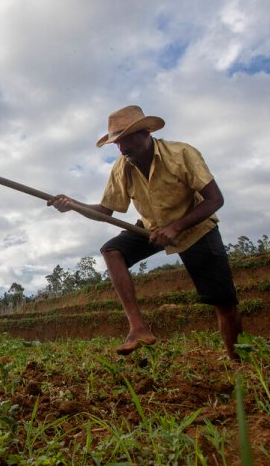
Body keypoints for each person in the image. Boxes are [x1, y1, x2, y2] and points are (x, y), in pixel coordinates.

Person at [49, 105, 242, 360]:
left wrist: (176, 227)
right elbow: (105, 211)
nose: (121, 148)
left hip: (196, 229)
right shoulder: (122, 167)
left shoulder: (181, 154)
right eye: (117, 143)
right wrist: (74, 205)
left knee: (224, 303)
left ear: (145, 133)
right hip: (152, 228)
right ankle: (137, 327)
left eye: (126, 139)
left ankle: (237, 360)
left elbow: (215, 199)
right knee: (112, 250)